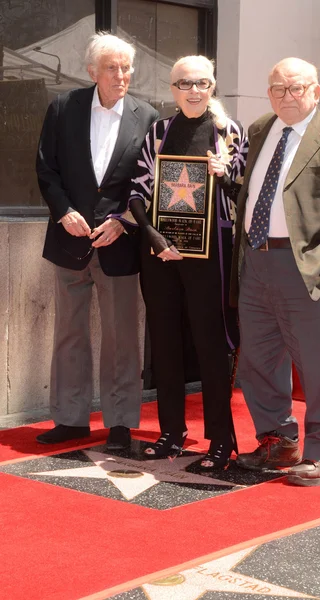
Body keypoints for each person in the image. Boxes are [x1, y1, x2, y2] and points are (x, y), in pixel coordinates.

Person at [230, 57, 320, 486]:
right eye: (278, 89)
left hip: (308, 266)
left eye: (296, 89)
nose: (286, 97)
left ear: (315, 91)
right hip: (256, 260)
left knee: (319, 364)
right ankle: (279, 441)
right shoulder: (259, 130)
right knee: (259, 359)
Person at [116, 55, 248, 470]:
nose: (194, 90)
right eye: (185, 83)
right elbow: (137, 192)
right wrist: (151, 236)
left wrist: (224, 174)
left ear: (213, 87)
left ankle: (221, 439)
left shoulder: (229, 133)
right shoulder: (159, 131)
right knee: (165, 342)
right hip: (160, 253)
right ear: (172, 89)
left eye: (203, 83)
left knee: (211, 345)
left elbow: (243, 193)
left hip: (210, 255)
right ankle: (171, 431)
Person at [35, 32, 158, 450]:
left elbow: (149, 183)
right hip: (68, 240)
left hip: (119, 244)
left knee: (122, 335)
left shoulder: (149, 117)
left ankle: (120, 422)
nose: (122, 75)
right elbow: (46, 169)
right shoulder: (63, 107)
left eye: (126, 67)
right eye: (112, 67)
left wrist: (124, 221)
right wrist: (63, 210)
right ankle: (70, 418)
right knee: (69, 332)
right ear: (92, 71)